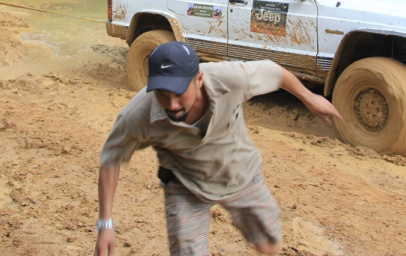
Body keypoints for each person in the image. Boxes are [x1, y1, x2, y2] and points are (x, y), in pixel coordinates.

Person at [94, 41, 342, 256]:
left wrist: (310, 98)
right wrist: (105, 224)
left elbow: (273, 71)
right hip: (185, 184)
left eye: (179, 93)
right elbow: (111, 158)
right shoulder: (138, 114)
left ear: (199, 79)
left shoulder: (231, 78)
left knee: (269, 246)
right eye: (162, 94)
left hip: (240, 172)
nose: (171, 104)